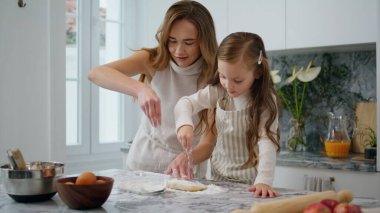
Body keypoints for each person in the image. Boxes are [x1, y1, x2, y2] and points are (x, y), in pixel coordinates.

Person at [88, 0, 218, 179]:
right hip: (143, 162)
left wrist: (188, 157)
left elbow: (209, 142)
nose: (179, 50)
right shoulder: (153, 60)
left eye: (189, 42)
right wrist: (140, 89)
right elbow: (96, 73)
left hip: (187, 167)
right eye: (172, 41)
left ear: (204, 41)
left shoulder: (215, 74)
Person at [174, 32, 281, 198]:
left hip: (250, 186)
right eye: (223, 76)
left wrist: (264, 181)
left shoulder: (265, 101)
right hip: (218, 182)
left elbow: (267, 141)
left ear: (258, 72)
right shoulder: (219, 91)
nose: (228, 85)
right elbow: (185, 103)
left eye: (237, 80)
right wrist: (184, 123)